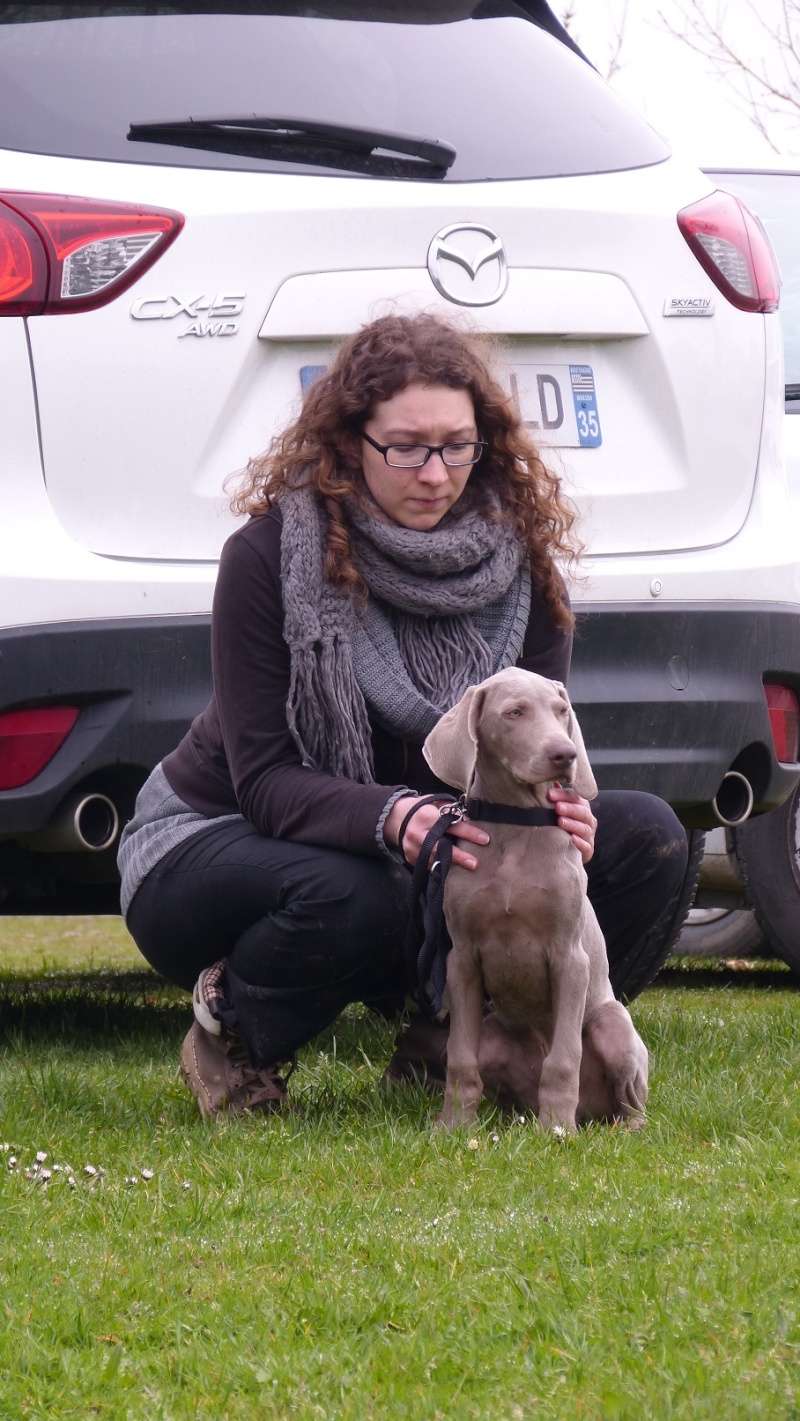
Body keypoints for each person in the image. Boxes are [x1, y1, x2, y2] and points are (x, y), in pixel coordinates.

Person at [117, 312, 689, 1118]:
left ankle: (472, 1040)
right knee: (368, 885)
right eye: (407, 446)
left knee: (647, 839)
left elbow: (543, 751)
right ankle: (230, 1031)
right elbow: (267, 779)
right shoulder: (267, 557)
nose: (434, 472)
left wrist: (566, 814)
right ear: (351, 443)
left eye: (457, 445)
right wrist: (394, 816)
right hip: (220, 836)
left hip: (438, 845)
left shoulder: (523, 562)